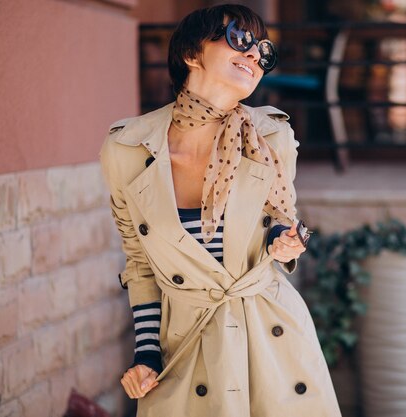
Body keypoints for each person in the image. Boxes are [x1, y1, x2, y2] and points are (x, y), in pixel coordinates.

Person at [99, 4, 342, 417]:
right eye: (238, 39)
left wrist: (284, 241)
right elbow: (140, 264)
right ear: (192, 54)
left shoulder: (271, 137)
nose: (253, 54)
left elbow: (279, 219)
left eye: (263, 51)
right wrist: (147, 356)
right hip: (188, 339)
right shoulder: (126, 150)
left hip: (270, 335)